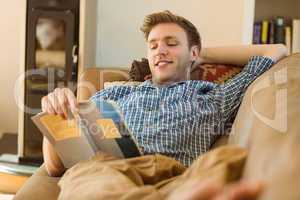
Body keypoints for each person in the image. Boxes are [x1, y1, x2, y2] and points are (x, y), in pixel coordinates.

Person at [41, 10, 287, 200]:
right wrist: (56, 115)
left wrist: (203, 54)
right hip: (111, 171)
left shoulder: (213, 96)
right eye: (153, 45)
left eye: (171, 43)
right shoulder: (114, 93)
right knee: (87, 177)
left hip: (176, 175)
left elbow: (276, 49)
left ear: (193, 53)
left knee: (222, 163)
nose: (160, 50)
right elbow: (54, 166)